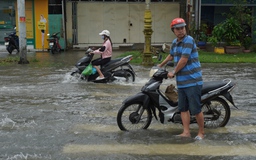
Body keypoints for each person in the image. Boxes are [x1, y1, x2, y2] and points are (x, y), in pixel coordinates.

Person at [158, 18, 204, 140]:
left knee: (195, 109)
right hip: (182, 82)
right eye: (177, 29)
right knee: (183, 108)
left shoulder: (189, 40)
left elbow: (183, 60)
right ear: (173, 30)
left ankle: (201, 133)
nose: (180, 31)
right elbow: (171, 55)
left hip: (193, 80)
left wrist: (173, 72)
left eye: (182, 28)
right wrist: (160, 65)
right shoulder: (175, 42)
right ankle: (186, 132)